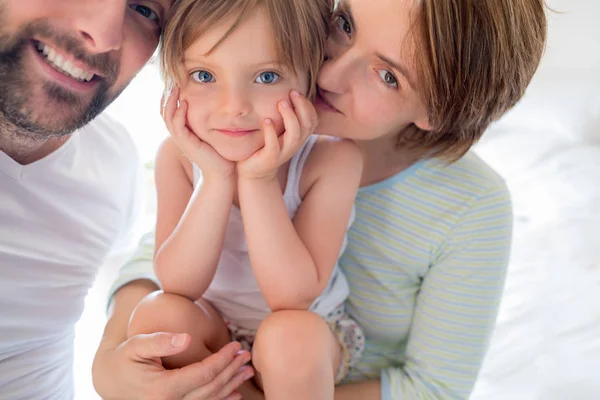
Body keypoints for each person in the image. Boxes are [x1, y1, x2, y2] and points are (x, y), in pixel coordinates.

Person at [94, 0, 548, 399]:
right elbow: (159, 261)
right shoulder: (244, 123)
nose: (328, 74)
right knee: (163, 313)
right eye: (346, 24)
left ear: (439, 110)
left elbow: (434, 389)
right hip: (218, 339)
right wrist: (110, 363)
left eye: (388, 75)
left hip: (318, 374)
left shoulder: (470, 204)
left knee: (293, 337)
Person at [0, 1, 256, 399]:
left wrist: (117, 340)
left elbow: (146, 251)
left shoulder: (111, 160)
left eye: (143, 8)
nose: (104, 34)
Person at [125, 1, 364, 398]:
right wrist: (216, 178)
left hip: (308, 337)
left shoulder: (333, 159)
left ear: (310, 82)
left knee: (288, 336)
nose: (233, 107)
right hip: (216, 328)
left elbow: (292, 297)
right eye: (204, 75)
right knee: (157, 313)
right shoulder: (178, 159)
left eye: (267, 76)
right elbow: (179, 284)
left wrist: (257, 178)